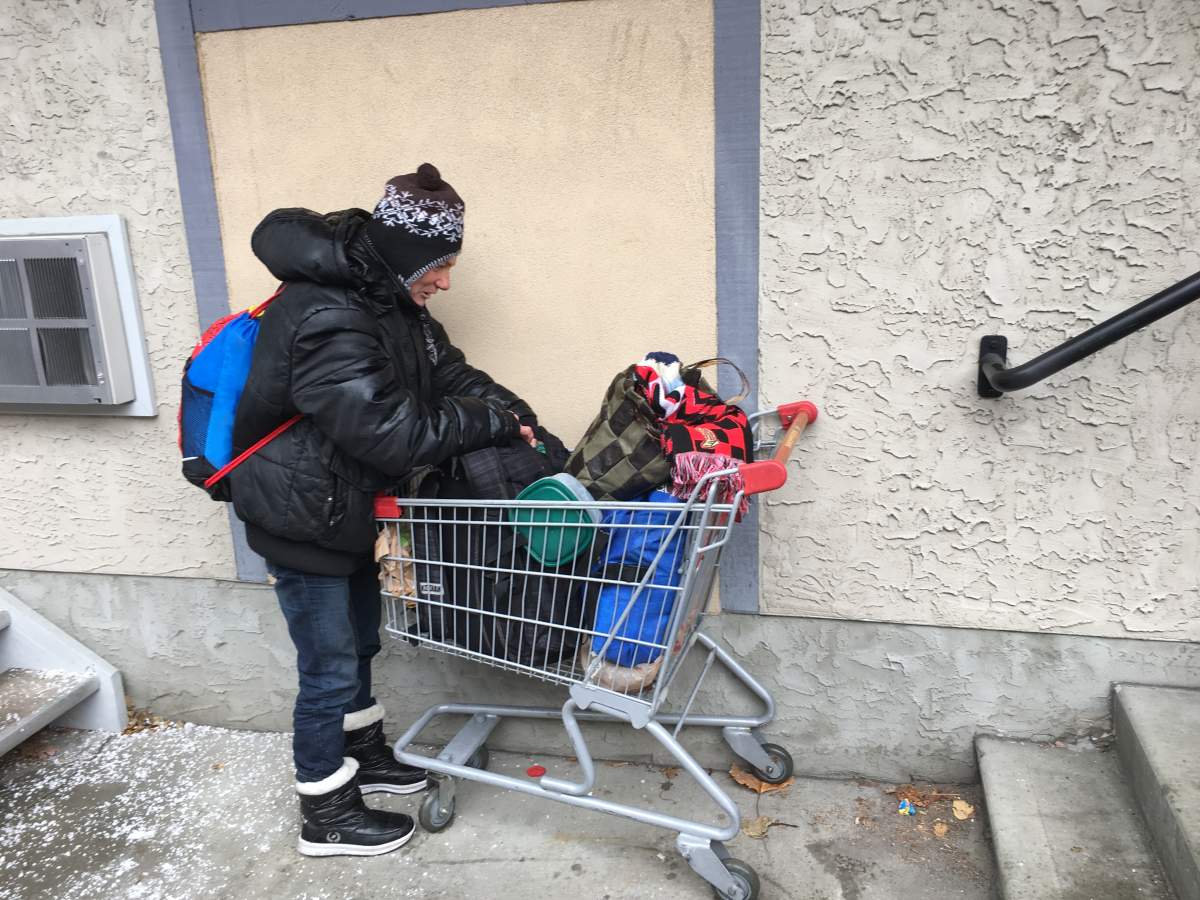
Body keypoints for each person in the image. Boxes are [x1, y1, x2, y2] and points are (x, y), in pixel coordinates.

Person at [229, 164, 538, 857]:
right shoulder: (328, 313)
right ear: (404, 255)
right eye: (440, 264)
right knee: (328, 667)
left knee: (361, 644)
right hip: (300, 514)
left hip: (346, 508)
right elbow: (389, 433)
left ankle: (364, 756)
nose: (446, 280)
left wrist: (515, 416)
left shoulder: (395, 305)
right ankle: (325, 814)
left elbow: (448, 374)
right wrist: (484, 425)